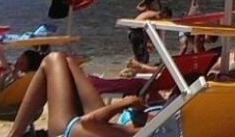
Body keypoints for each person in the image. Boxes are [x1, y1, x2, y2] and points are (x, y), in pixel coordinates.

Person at [8, 52, 148, 137]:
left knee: (53, 59)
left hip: (69, 131)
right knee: (67, 62)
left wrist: (125, 103)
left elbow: (89, 121)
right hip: (105, 126)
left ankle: (14, 135)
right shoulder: (164, 127)